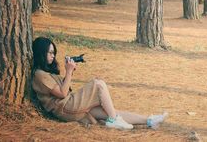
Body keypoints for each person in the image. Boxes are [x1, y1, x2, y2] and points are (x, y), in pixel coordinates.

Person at [31, 37, 167, 130]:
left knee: (111, 112)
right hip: (65, 107)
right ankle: (114, 121)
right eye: (49, 53)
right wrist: (69, 72)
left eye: (53, 52)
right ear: (40, 53)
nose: (53, 55)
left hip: (69, 105)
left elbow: (64, 90)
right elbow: (62, 93)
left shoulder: (46, 72)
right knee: (98, 84)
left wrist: (69, 72)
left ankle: (149, 121)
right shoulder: (39, 75)